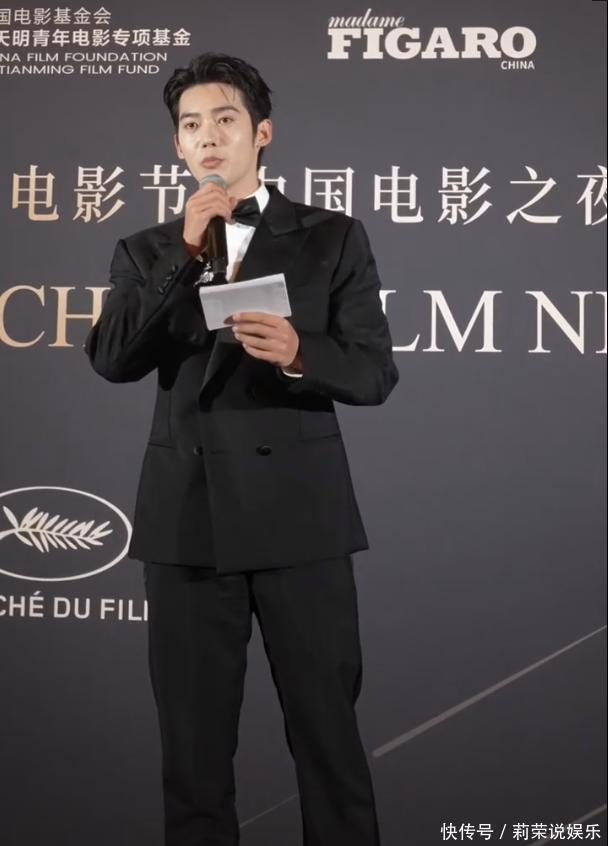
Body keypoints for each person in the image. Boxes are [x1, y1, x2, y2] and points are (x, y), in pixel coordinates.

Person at [85, 52, 399, 846]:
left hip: (302, 524)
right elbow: (112, 360)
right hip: (188, 526)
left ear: (262, 133)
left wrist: (299, 352)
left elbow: (374, 372)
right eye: (191, 125)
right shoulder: (146, 250)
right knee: (193, 758)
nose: (208, 137)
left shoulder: (332, 237)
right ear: (178, 148)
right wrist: (183, 257)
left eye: (225, 119)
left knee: (329, 744)